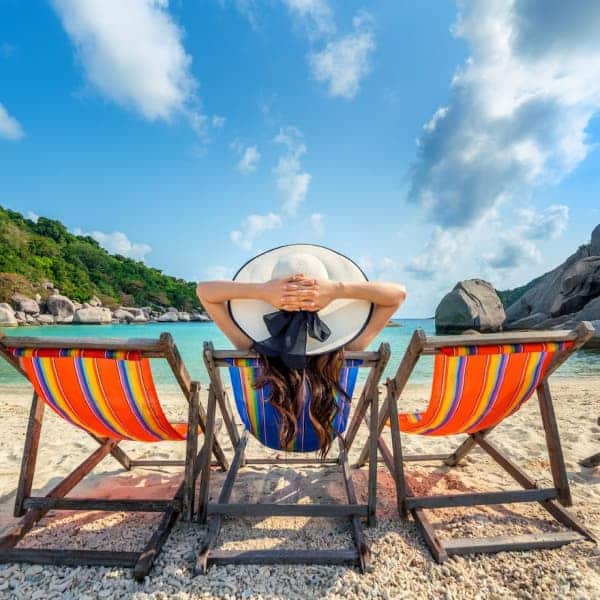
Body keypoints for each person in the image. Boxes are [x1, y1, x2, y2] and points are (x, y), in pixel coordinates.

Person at [197, 244, 406, 456]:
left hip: (267, 435)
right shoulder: (348, 349)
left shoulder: (249, 347)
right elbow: (397, 295)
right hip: (324, 433)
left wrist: (261, 291)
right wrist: (336, 290)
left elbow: (204, 291)